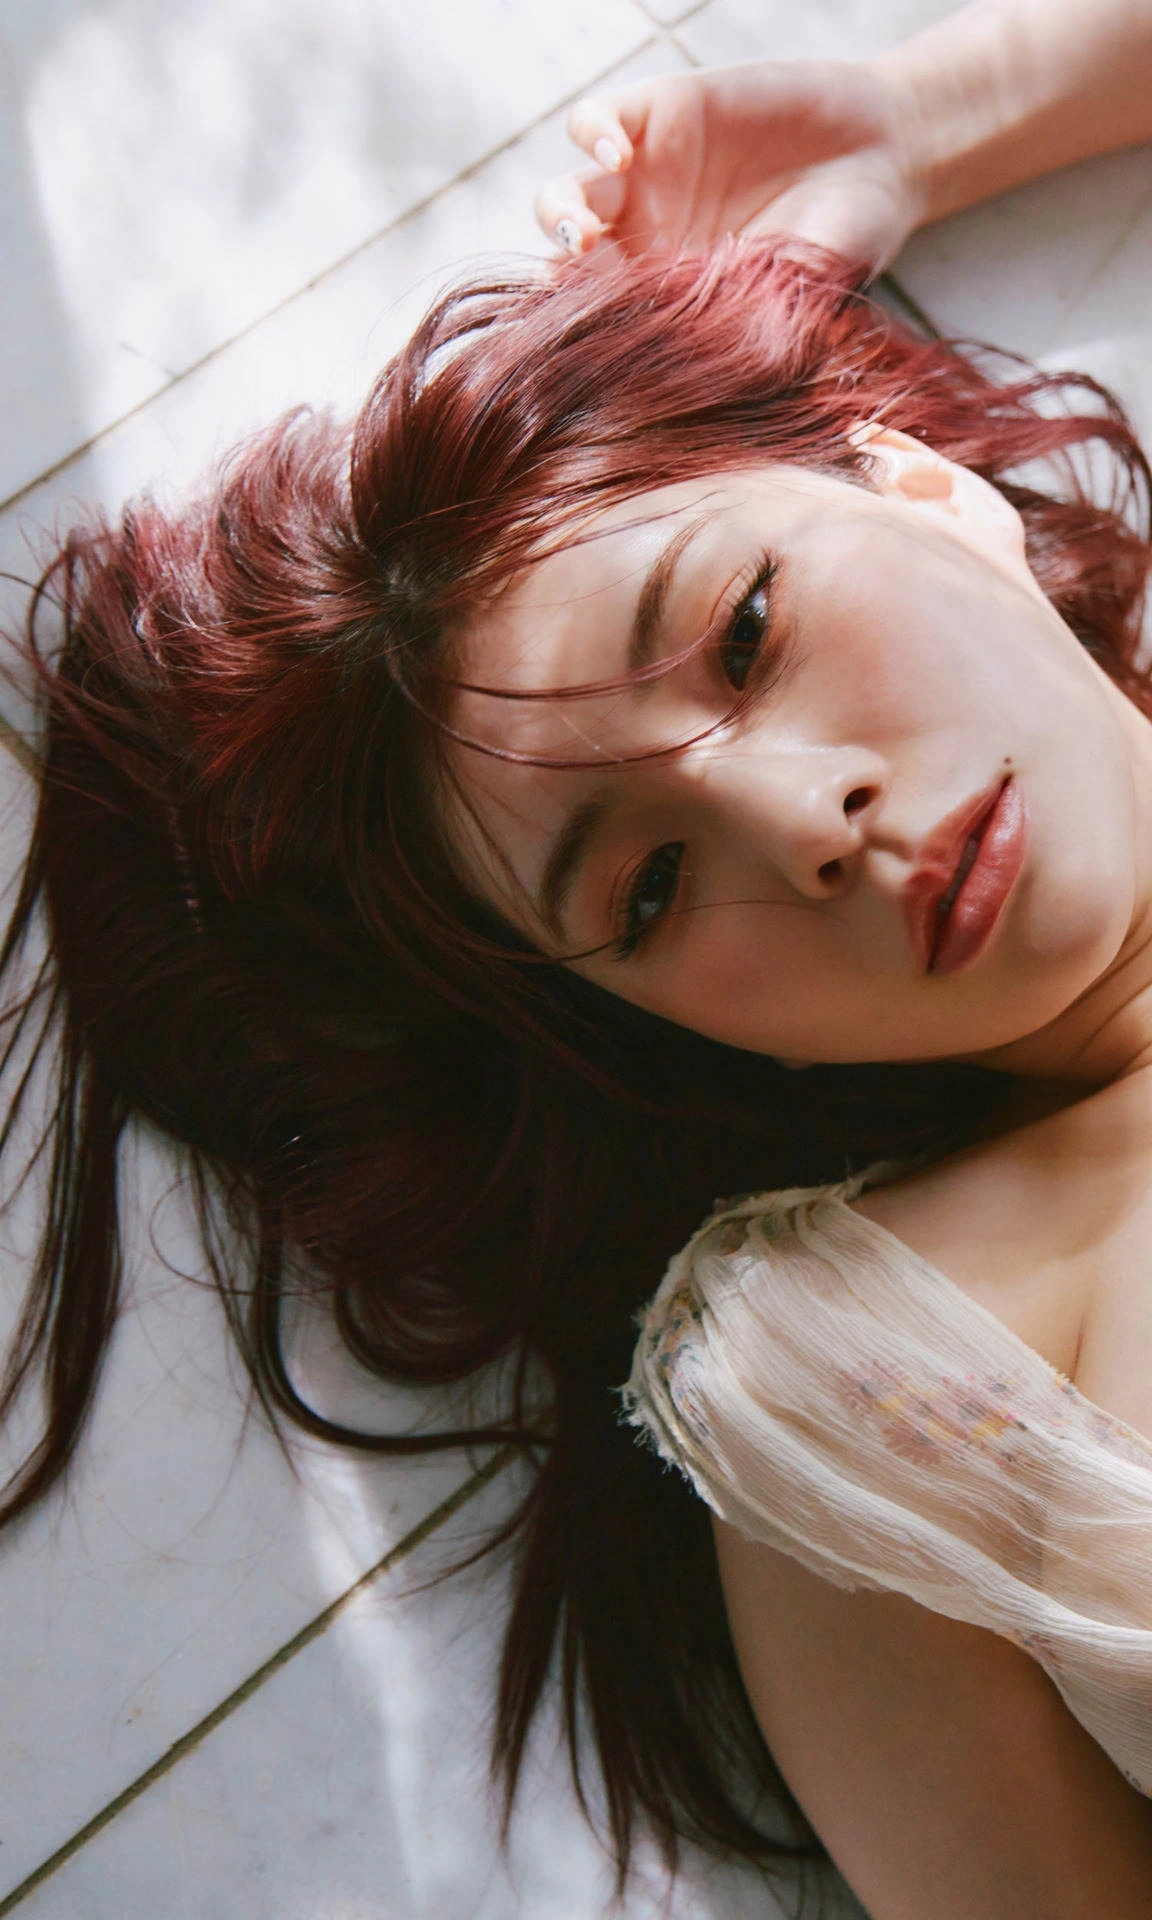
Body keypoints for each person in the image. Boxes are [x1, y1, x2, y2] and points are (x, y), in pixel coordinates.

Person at [3, 3, 1152, 1917]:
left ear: (921, 487)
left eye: (748, 631)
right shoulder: (867, 1386)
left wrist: (919, 121)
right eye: (645, 891)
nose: (806, 823)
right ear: (660, 1028)